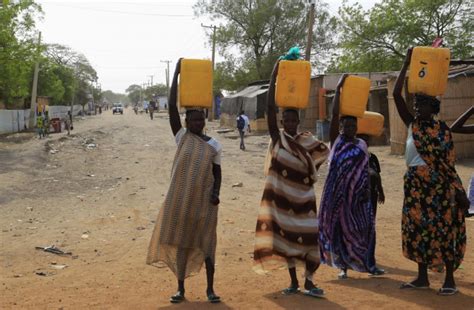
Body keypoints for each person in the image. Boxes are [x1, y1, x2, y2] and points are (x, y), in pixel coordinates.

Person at [393, 48, 469, 296]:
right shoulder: (411, 125)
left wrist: (457, 190)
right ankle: (422, 277)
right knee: (417, 230)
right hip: (414, 186)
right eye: (416, 103)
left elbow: (448, 164)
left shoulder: (442, 130)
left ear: (433, 106)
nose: (417, 107)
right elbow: (396, 94)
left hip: (438, 188)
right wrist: (405, 63)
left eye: (422, 103)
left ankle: (449, 280)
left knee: (444, 230)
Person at [146, 58, 222, 304]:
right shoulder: (181, 137)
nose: (198, 123)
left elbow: (217, 172)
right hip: (182, 201)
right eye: (193, 120)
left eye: (201, 120)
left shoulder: (214, 144)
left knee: (207, 245)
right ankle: (181, 289)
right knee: (181, 243)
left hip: (205, 203)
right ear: (187, 122)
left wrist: (215, 193)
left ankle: (210, 289)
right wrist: (177, 74)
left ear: (204, 121)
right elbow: (170, 108)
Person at [253, 60, 329, 298]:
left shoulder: (307, 140)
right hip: (283, 203)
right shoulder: (278, 139)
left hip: (304, 200)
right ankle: (294, 282)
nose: (289, 123)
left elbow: (321, 154)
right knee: (286, 241)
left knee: (308, 239)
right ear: (282, 122)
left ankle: (309, 281)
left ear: (298, 121)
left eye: (292, 120)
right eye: (285, 120)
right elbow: (268, 111)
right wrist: (274, 76)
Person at [318, 74, 383, 280]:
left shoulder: (361, 145)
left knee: (364, 228)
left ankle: (368, 264)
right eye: (345, 126)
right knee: (338, 229)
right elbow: (335, 113)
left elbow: (364, 169)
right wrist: (338, 89)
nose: (349, 129)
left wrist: (365, 189)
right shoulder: (336, 142)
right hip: (336, 194)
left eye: (352, 126)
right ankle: (343, 266)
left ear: (357, 127)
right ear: (340, 127)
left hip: (357, 195)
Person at [358, 134, 385, 271]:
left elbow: (377, 174)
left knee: (371, 225)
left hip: (372, 196)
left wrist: (381, 191)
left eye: (366, 140)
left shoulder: (372, 157)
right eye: (362, 140)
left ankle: (369, 256)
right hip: (359, 197)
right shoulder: (354, 157)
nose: (365, 143)